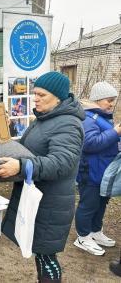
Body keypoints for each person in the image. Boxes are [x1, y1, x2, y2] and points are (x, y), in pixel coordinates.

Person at [0, 71, 85, 283]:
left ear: (58, 97)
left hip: (51, 203)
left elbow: (61, 163)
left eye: (41, 95)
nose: (35, 98)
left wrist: (21, 165)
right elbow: (30, 148)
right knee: (40, 252)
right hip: (39, 198)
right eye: (35, 93)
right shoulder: (45, 118)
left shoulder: (68, 124)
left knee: (47, 256)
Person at [73, 81, 120, 255]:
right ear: (98, 100)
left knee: (101, 204)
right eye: (109, 100)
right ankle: (83, 237)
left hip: (103, 173)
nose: (111, 103)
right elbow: (90, 144)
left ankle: (95, 231)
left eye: (113, 100)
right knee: (89, 205)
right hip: (90, 172)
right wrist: (115, 133)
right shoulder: (87, 118)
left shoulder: (103, 117)